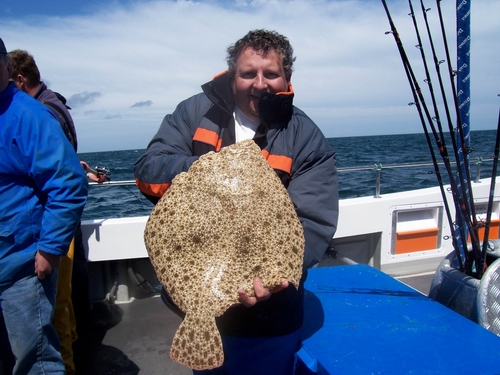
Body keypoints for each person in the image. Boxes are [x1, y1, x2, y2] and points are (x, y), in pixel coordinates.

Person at [134, 29, 339, 374]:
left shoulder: (306, 137)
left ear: (286, 78)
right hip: (193, 300)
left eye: (271, 74)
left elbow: (312, 223)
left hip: (269, 318)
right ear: (232, 76)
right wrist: (206, 169)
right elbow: (148, 170)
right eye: (248, 73)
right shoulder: (194, 112)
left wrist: (273, 280)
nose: (259, 83)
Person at [0, 37, 88, 374]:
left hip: (21, 264)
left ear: (9, 69)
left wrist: (49, 249)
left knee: (35, 358)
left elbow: (68, 184)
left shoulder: (31, 115)